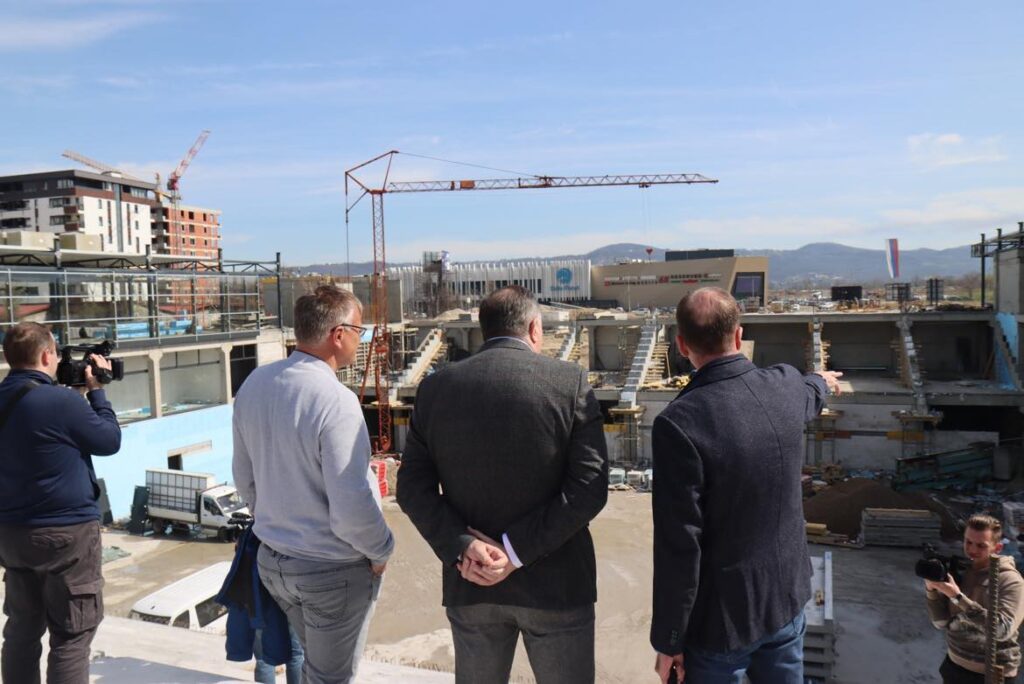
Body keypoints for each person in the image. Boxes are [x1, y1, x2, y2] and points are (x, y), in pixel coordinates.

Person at [397, 285, 609, 684]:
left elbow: (410, 488)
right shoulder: (569, 383)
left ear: (485, 330)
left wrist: (463, 546)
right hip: (557, 587)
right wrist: (514, 551)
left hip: (472, 582)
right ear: (534, 328)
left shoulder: (436, 388)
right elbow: (590, 488)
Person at [649, 287, 842, 684]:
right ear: (738, 336)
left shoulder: (679, 423)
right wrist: (822, 381)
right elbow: (811, 392)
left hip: (722, 624)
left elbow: (679, 545)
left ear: (682, 345)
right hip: (785, 600)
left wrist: (669, 639)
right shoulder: (786, 384)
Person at [232, 285, 394, 684]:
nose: (361, 340)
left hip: (274, 561)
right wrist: (381, 549)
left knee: (312, 670)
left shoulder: (255, 383)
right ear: (338, 335)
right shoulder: (335, 400)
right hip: (330, 571)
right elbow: (350, 501)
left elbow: (244, 476)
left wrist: (275, 521)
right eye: (359, 331)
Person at [0, 322, 121, 684]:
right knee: (71, 635)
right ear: (46, 355)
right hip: (67, 535)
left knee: (21, 629)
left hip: (11, 535)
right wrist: (97, 392)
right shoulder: (61, 401)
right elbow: (108, 441)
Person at [925, 514, 1024, 683]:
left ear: (998, 547)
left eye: (981, 545)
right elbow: (940, 622)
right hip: (954, 666)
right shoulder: (963, 571)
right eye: (968, 542)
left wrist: (958, 597)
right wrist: (932, 590)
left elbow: (1002, 630)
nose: (972, 549)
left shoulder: (1010, 580)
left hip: (990, 674)